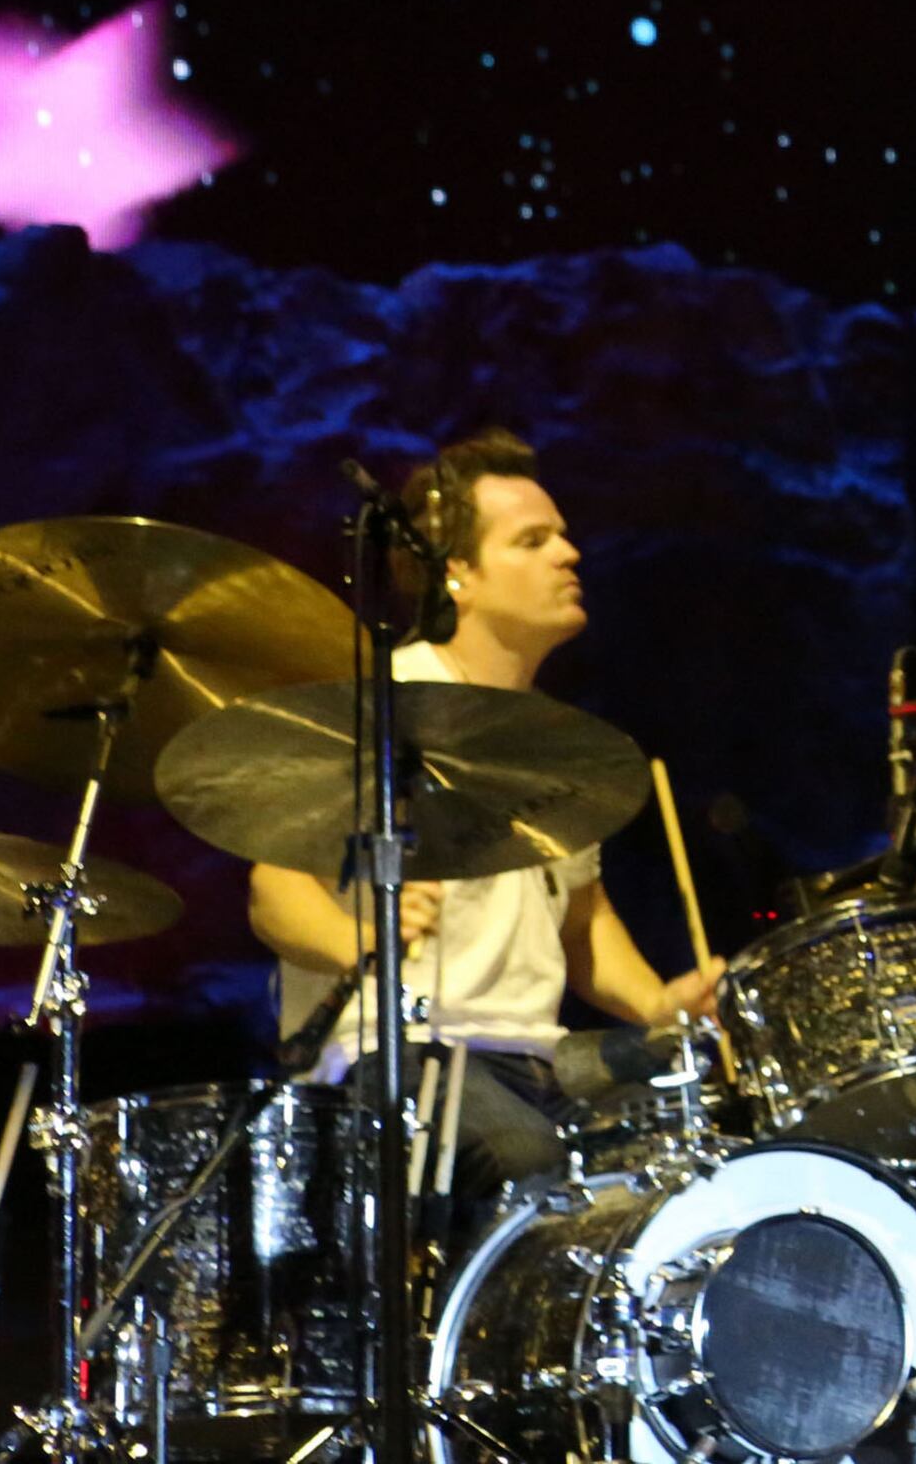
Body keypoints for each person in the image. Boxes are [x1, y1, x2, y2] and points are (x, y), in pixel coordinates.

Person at [244, 428, 721, 1234]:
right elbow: (273, 891)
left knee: (698, 1154)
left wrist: (666, 1005)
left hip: (537, 1060)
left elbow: (580, 918)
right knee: (531, 1163)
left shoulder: (553, 744)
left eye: (563, 534)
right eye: (534, 541)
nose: (569, 554)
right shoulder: (389, 704)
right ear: (456, 574)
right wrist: (359, 940)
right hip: (397, 1055)